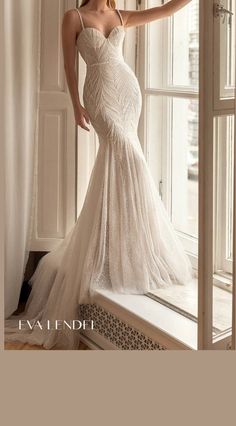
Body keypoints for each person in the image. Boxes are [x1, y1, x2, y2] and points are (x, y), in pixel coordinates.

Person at [5, 0, 194, 350]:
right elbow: (68, 64)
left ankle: (126, 247)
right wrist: (76, 104)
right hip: (100, 94)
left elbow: (166, 11)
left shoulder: (122, 15)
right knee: (123, 155)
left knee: (128, 158)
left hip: (127, 90)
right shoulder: (73, 17)